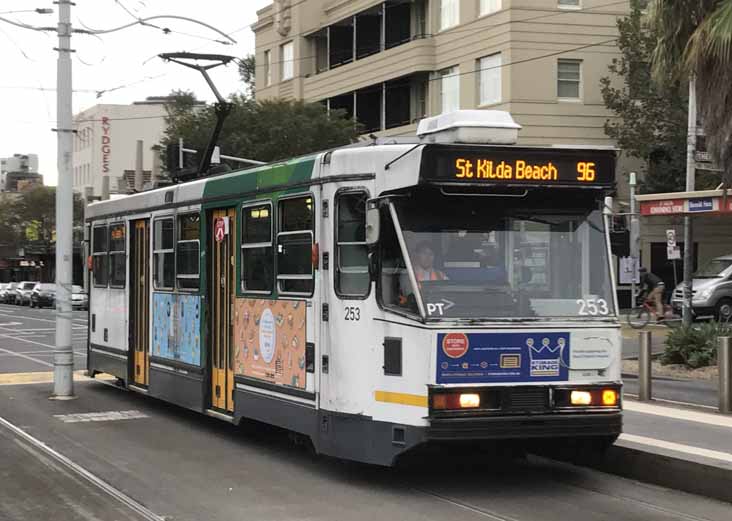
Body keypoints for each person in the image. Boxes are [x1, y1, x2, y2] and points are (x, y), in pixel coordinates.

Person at [399, 241, 447, 307]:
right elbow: (409, 296)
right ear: (417, 255)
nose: (428, 257)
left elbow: (447, 294)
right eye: (424, 253)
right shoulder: (408, 274)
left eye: (431, 254)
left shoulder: (440, 275)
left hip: (438, 308)